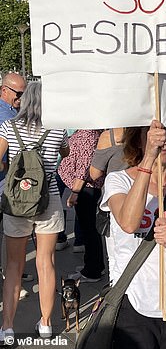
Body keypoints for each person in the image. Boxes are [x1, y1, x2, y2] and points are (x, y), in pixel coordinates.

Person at [100, 120, 166, 349]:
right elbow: (129, 224)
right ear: (138, 139)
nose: (164, 139)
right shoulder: (118, 181)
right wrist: (149, 159)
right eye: (154, 133)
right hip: (133, 305)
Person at [0, 82, 69, 343]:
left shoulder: (9, 126)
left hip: (17, 200)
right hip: (48, 200)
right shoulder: (57, 129)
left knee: (14, 265)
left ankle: (7, 326)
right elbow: (66, 151)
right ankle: (46, 324)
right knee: (46, 263)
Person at [0, 73, 32, 300]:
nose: (21, 98)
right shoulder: (3, 115)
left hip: (10, 184)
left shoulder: (13, 112)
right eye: (18, 94)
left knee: (11, 234)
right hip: (4, 182)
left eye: (24, 93)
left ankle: (13, 272)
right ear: (4, 90)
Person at [58, 129, 105, 283]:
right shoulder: (87, 132)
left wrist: (76, 191)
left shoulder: (88, 134)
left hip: (85, 188)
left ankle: (92, 271)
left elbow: (84, 165)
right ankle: (93, 265)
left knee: (89, 229)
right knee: (88, 228)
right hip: (84, 188)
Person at [89, 128, 127, 275]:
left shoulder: (110, 136)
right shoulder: (146, 131)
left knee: (115, 255)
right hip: (145, 196)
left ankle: (117, 294)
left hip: (115, 198)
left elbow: (94, 173)